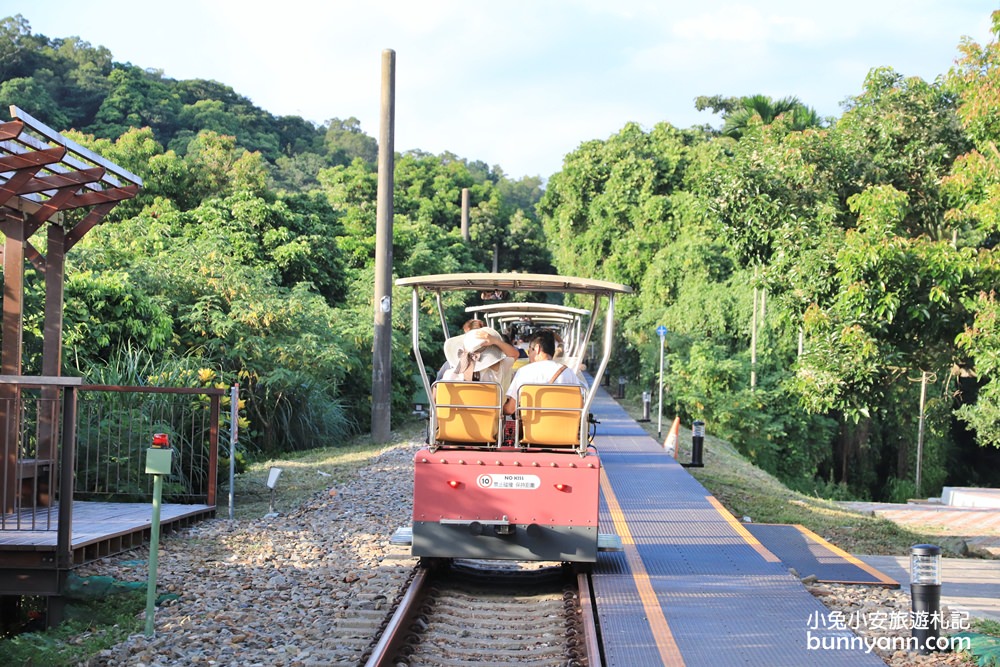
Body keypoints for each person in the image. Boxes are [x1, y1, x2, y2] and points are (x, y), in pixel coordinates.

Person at [503, 330, 580, 415]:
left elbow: (510, 410)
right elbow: (580, 405)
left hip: (533, 427)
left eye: (529, 352)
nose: (529, 356)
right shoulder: (568, 373)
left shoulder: (524, 372)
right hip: (565, 426)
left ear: (537, 349)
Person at [440, 326, 519, 392]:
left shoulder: (450, 375)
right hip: (491, 410)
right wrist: (496, 341)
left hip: (458, 411)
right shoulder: (497, 372)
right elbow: (515, 354)